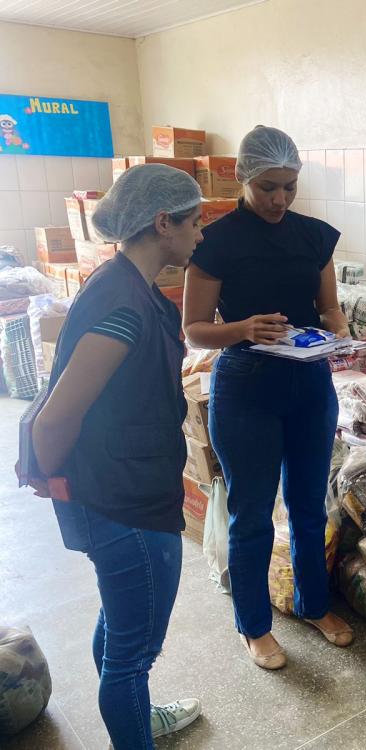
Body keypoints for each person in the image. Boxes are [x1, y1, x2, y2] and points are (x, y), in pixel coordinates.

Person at [28, 164, 204, 749]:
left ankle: (137, 718)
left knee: (121, 618)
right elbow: (57, 415)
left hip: (125, 488)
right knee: (133, 653)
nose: (201, 234)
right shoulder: (123, 306)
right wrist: (55, 476)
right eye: (194, 222)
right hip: (123, 502)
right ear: (163, 224)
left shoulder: (127, 285)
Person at [183, 125, 353, 671]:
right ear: (244, 179)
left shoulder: (314, 237)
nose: (280, 199)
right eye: (268, 188)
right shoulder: (215, 241)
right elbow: (194, 330)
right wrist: (244, 329)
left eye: (290, 186)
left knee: (308, 506)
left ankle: (313, 605)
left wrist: (339, 330)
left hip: (308, 387)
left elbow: (328, 309)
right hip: (246, 389)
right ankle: (254, 625)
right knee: (252, 513)